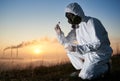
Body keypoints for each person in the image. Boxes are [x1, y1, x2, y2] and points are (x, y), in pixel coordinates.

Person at [55, 2, 113, 80]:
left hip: (99, 54)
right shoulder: (77, 27)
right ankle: (84, 68)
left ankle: (105, 67)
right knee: (68, 50)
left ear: (77, 13)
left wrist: (77, 49)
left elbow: (98, 43)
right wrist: (59, 33)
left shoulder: (92, 22)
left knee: (86, 76)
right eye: (68, 17)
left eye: (70, 16)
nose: (69, 20)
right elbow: (66, 42)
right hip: (88, 53)